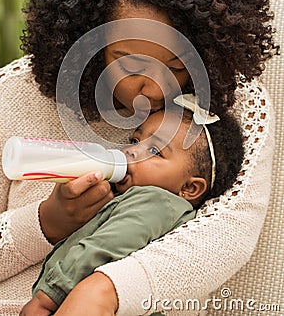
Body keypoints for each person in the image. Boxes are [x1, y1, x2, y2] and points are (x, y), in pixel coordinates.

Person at [0, 0, 278, 316]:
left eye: (177, 67)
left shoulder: (233, 108)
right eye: (130, 65)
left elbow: (225, 236)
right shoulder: (11, 94)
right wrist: (46, 223)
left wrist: (101, 292)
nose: (156, 90)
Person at [20, 102, 244, 316]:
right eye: (135, 139)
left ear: (189, 188)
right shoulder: (140, 200)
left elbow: (105, 245)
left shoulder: (157, 204)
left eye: (155, 151)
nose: (132, 151)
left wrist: (50, 295)